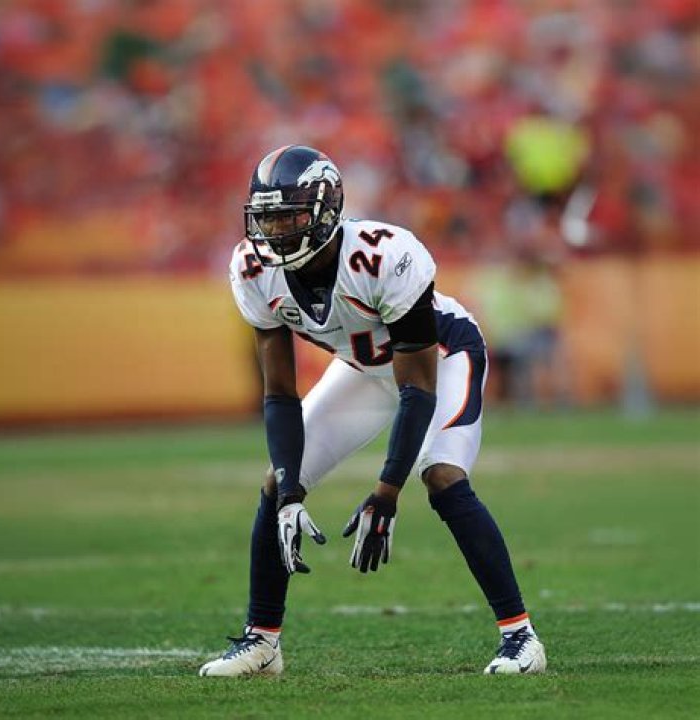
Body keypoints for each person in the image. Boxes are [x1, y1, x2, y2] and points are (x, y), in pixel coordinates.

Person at [199, 145, 547, 677]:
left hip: (441, 361)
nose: (277, 230)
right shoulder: (252, 268)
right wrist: (291, 494)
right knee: (277, 482)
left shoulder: (384, 255)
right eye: (268, 217)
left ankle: (521, 637)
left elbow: (418, 389)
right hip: (364, 369)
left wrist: (387, 492)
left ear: (327, 212)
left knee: (442, 476)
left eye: (291, 216)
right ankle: (262, 643)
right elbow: (279, 394)